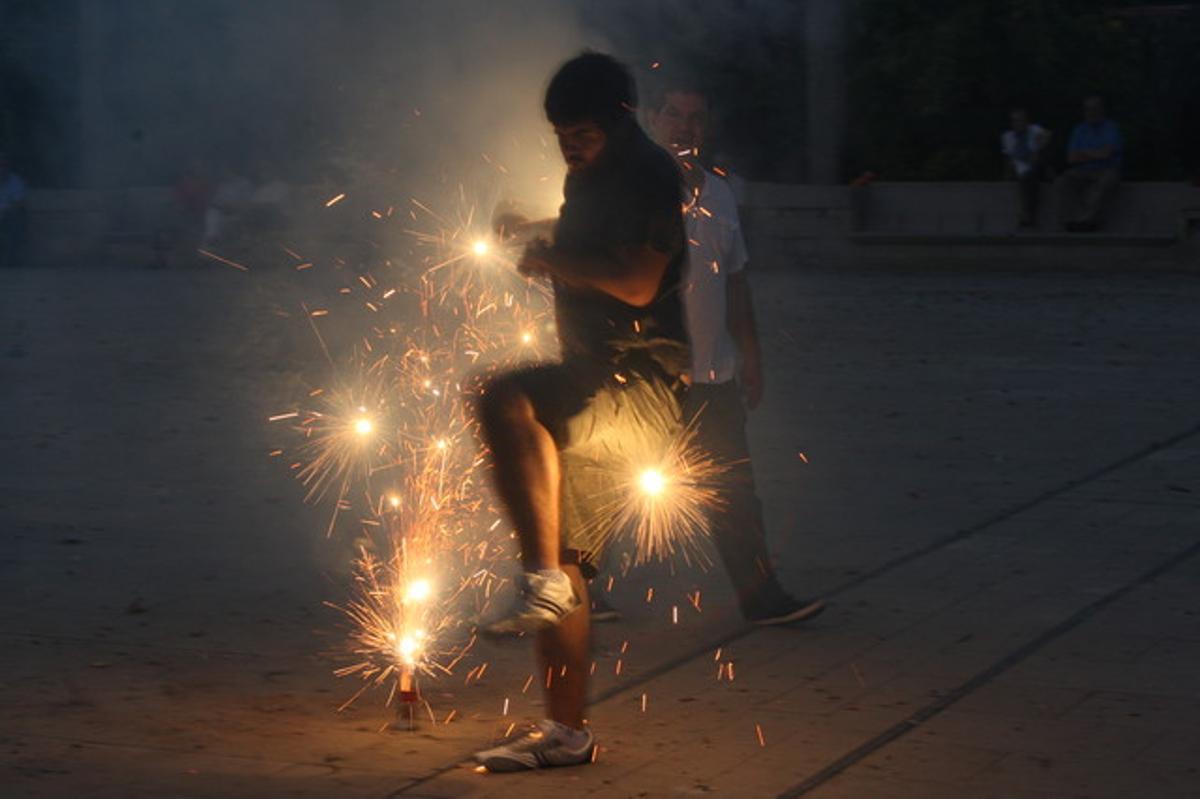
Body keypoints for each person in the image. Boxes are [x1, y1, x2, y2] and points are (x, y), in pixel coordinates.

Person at [472, 52, 687, 772]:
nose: (569, 145)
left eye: (582, 133)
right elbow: (579, 233)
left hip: (635, 381)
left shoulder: (652, 172)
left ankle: (540, 580)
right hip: (592, 376)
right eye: (561, 134)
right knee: (567, 559)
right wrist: (529, 227)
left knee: (503, 395)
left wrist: (549, 263)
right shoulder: (587, 174)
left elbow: (634, 279)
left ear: (620, 120)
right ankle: (566, 733)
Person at [644, 77, 825, 626]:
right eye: (674, 114)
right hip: (647, 374)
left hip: (713, 375)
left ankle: (759, 594)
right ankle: (567, 591)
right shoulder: (636, 186)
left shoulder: (720, 193)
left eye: (696, 118)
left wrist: (751, 352)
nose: (685, 127)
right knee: (604, 483)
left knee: (734, 490)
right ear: (653, 120)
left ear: (708, 128)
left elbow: (736, 279)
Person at [1058, 96, 1123, 232]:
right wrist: (1096, 154)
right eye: (1087, 109)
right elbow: (1071, 158)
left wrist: (1084, 154)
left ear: (1101, 110)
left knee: (1105, 181)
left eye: (1094, 109)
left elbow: (1107, 154)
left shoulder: (1111, 128)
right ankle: (1072, 219)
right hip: (1083, 170)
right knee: (1063, 180)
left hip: (1107, 169)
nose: (1091, 112)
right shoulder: (1079, 130)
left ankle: (1087, 221)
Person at [1001, 108, 1051, 227]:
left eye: (1021, 120)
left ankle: (1026, 215)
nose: (1018, 124)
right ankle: (1027, 215)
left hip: (1034, 167)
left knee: (1029, 176)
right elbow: (1008, 160)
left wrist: (1039, 147)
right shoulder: (1007, 137)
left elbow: (1042, 148)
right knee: (1025, 177)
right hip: (1019, 169)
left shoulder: (1035, 131)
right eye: (1015, 121)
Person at [0, 152, 29, 268]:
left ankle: (11, 260)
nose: (1, 169)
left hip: (9, 217)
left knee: (16, 220)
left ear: (7, 167)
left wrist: (4, 211)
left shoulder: (16, 182)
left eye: (3, 166)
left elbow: (18, 204)